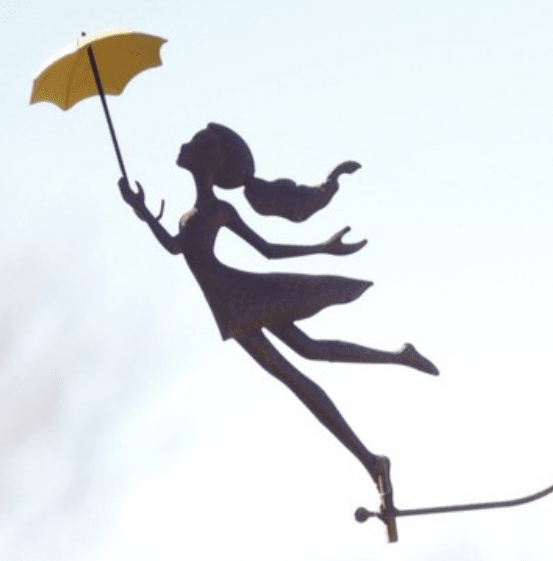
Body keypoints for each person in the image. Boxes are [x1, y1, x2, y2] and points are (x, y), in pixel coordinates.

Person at [118, 122, 436, 505]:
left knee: (300, 372)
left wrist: (321, 247)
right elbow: (175, 247)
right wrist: (142, 212)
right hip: (233, 304)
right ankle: (398, 360)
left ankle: (372, 460)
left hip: (240, 301)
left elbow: (266, 249)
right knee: (308, 351)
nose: (183, 145)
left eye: (192, 143)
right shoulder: (191, 217)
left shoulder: (219, 210)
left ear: (206, 161)